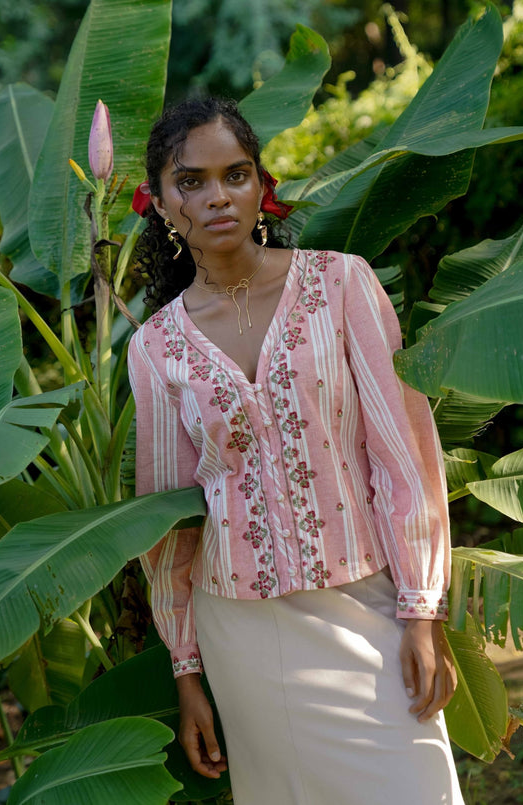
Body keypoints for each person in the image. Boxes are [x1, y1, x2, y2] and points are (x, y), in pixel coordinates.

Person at [128, 97, 464, 805]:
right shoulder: (155, 346)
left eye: (237, 173)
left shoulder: (341, 283)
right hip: (244, 631)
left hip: (366, 601)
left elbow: (403, 454)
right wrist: (187, 669)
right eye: (191, 181)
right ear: (160, 202)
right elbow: (167, 523)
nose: (218, 195)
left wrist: (421, 610)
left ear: (261, 187)